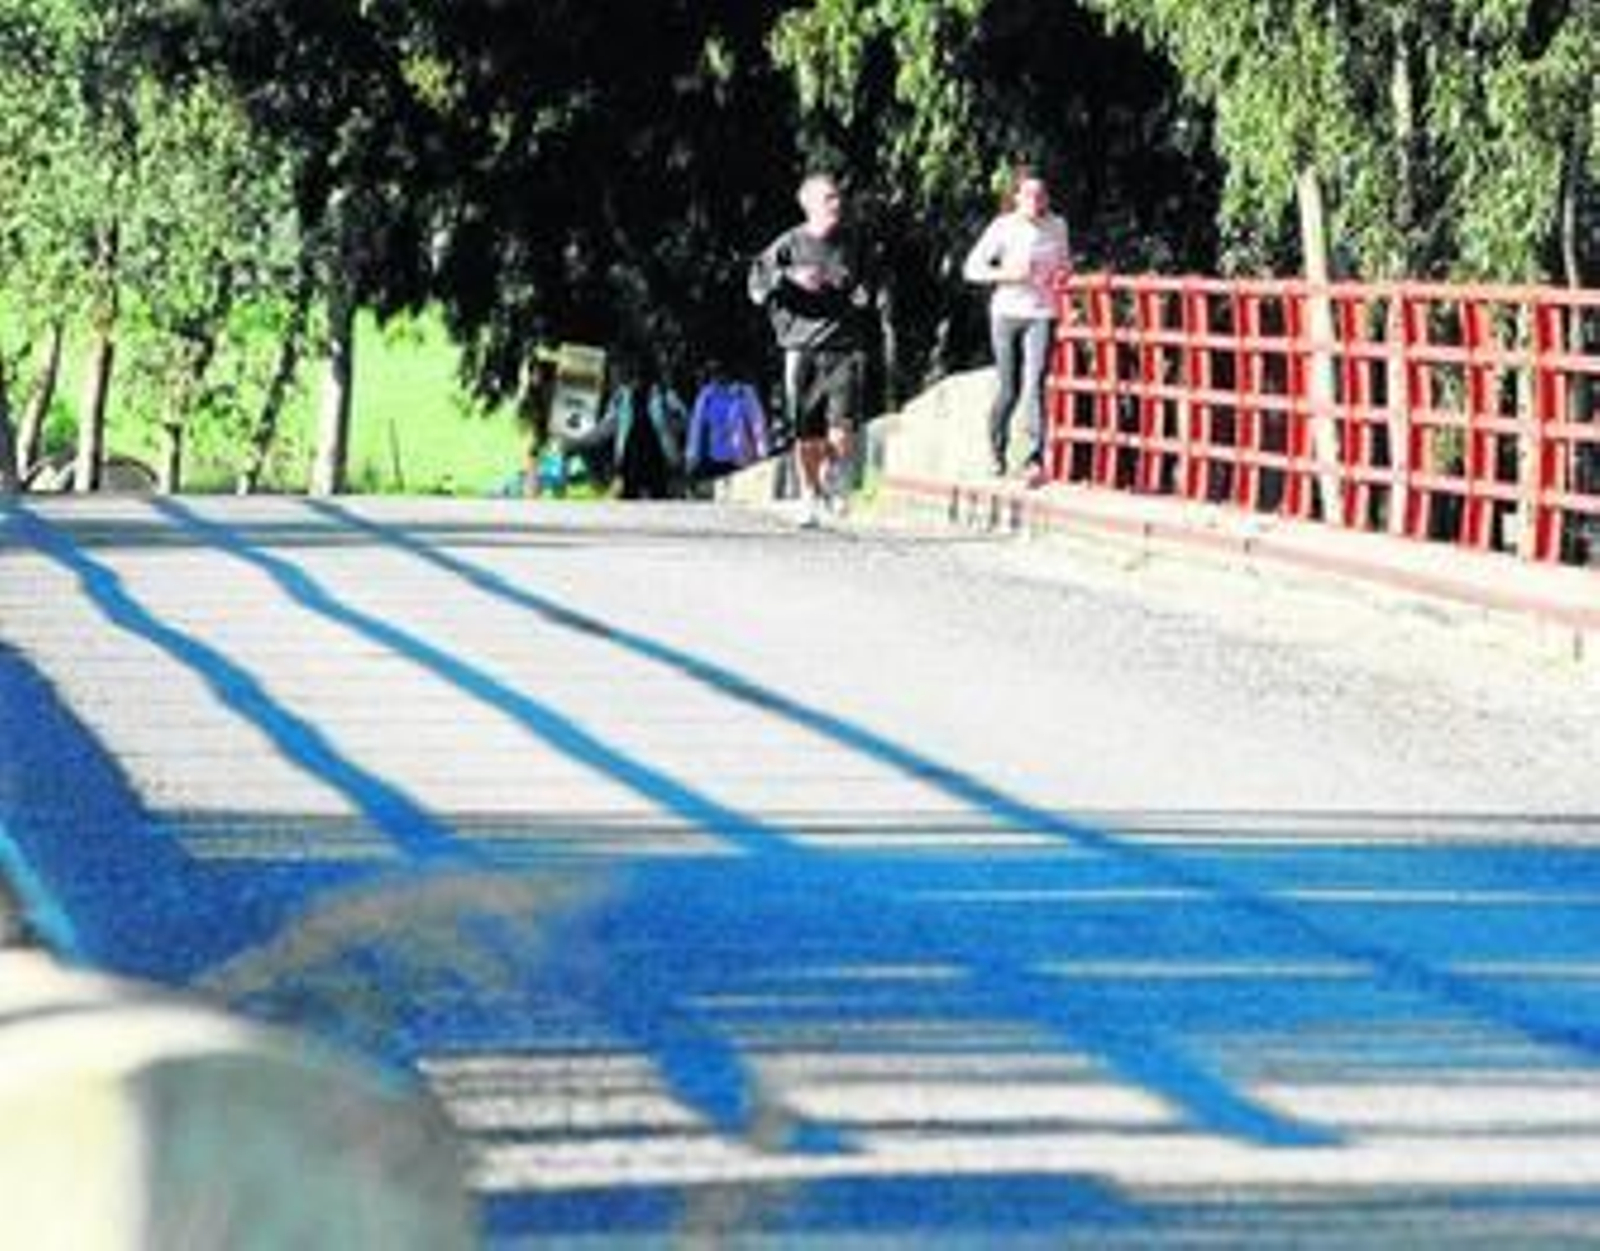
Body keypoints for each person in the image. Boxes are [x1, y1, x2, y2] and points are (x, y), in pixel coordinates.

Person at [748, 172, 872, 528]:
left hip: (843, 346)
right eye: (829, 198)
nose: (837, 204)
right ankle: (810, 496)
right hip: (800, 347)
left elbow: (865, 289)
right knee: (807, 432)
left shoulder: (853, 243)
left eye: (838, 197)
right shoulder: (787, 245)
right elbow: (757, 289)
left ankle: (833, 474)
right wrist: (790, 280)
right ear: (809, 205)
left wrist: (855, 292)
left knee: (842, 424)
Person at [962, 165, 1071, 486]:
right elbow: (972, 269)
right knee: (1009, 389)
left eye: (1041, 195)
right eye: (1029, 195)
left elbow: (1065, 262)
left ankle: (1034, 461)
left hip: (1042, 312)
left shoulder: (1058, 225)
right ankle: (997, 450)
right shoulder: (1003, 227)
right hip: (1007, 312)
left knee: (1035, 383)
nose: (1036, 200)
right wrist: (1008, 274)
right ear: (1017, 198)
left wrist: (1064, 274)